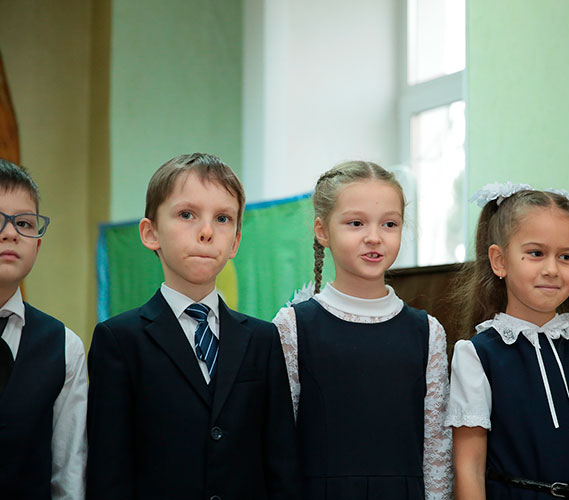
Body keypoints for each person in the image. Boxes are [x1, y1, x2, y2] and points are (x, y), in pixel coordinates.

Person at [87, 153, 300, 500]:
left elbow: (281, 463)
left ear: (235, 241)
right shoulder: (120, 340)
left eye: (222, 218)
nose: (206, 232)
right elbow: (109, 468)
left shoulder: (262, 339)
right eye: (187, 214)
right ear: (150, 233)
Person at [272, 160, 452, 499]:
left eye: (389, 224)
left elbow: (436, 450)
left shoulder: (428, 331)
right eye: (356, 223)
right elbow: (279, 443)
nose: (374, 237)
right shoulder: (292, 326)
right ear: (322, 231)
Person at [447, 182, 569, 499]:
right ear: (499, 261)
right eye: (536, 253)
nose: (552, 269)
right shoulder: (477, 356)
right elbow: (469, 467)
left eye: (565, 256)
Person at [0, 158, 87, 500]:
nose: (10, 233)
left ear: (37, 244)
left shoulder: (64, 346)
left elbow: (69, 471)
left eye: (23, 223)